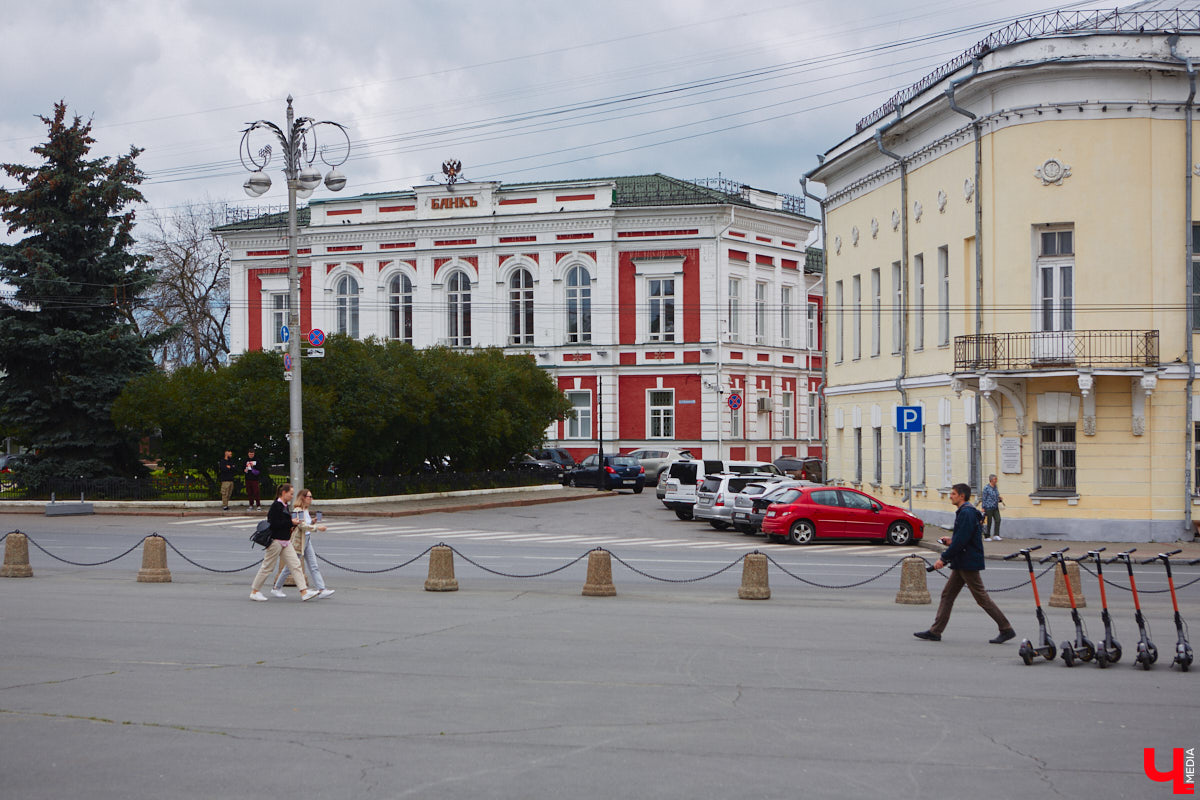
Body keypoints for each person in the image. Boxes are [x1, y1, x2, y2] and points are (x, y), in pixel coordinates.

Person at [914, 482, 1016, 644]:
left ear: (962, 496)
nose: (951, 496)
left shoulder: (966, 513)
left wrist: (943, 558)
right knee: (947, 595)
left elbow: (962, 540)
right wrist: (951, 541)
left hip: (967, 562)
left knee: (982, 598)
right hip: (962, 561)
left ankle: (1006, 628)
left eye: (953, 493)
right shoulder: (965, 512)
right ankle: (935, 631)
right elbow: (962, 537)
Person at [249, 484, 319, 602]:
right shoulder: (276, 506)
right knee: (267, 567)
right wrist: (291, 522)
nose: (292, 496)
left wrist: (292, 523)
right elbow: (274, 524)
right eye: (291, 493)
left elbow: (285, 522)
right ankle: (255, 591)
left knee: (296, 565)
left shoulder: (284, 506)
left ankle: (304, 592)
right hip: (276, 541)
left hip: (286, 541)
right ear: (283, 493)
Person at [271, 487, 334, 600]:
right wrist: (317, 527)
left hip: (307, 540)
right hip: (299, 542)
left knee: (313, 565)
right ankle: (276, 588)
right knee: (290, 567)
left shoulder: (305, 510)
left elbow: (305, 523)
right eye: (309, 497)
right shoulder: (298, 510)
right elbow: (301, 525)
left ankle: (321, 589)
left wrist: (313, 521)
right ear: (303, 498)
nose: (311, 499)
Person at [977, 474, 1004, 541]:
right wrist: (983, 507)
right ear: (991, 480)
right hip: (988, 507)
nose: (996, 480)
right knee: (988, 522)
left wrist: (999, 498)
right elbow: (984, 498)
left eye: (996, 479)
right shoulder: (986, 488)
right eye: (995, 479)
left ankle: (996, 535)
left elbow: (996, 495)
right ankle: (987, 536)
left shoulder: (995, 487)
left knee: (998, 519)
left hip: (995, 507)